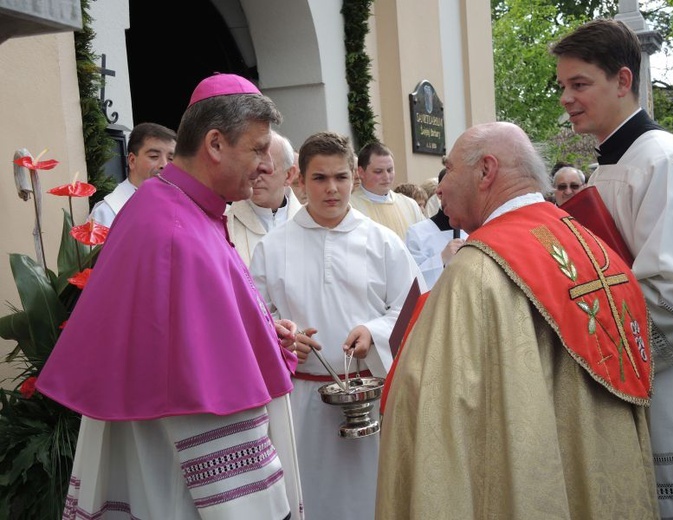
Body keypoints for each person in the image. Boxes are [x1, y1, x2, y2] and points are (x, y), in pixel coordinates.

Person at [36, 73, 304, 520]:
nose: (267, 166)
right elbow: (202, 395)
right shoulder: (176, 234)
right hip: (184, 487)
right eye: (258, 150)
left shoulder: (173, 208)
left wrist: (257, 333)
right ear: (215, 144)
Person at [376, 121, 658, 519]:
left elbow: (429, 408)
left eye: (450, 169)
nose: (439, 187)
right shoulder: (593, 245)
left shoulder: (476, 271)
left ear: (486, 170)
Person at [552, 19, 673, 518]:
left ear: (623, 80)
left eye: (580, 84)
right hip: (619, 371)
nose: (566, 97)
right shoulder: (607, 166)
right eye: (563, 86)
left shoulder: (665, 162)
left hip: (668, 387)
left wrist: (586, 338)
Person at [251, 131, 423, 520]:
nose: (332, 189)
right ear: (299, 181)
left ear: (354, 179)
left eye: (341, 177)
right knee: (309, 499)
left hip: (370, 398)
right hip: (302, 400)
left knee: (373, 498)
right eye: (320, 178)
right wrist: (284, 337)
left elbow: (414, 308)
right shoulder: (273, 247)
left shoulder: (382, 242)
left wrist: (375, 332)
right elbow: (253, 318)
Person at [226, 130, 302, 265]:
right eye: (250, 167)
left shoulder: (310, 222)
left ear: (289, 175)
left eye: (265, 169)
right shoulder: (224, 224)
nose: (255, 177)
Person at [89, 122, 177, 227]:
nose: (164, 165)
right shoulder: (106, 213)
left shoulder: (180, 209)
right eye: (154, 156)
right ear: (132, 160)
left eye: (171, 159)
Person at [404, 168, 467, 288]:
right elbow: (410, 279)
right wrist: (441, 259)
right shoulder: (417, 233)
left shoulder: (478, 230)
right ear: (439, 193)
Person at [350, 141, 425, 240]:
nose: (386, 177)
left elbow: (424, 243)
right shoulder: (351, 208)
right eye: (378, 171)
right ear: (361, 172)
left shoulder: (410, 205)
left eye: (390, 170)